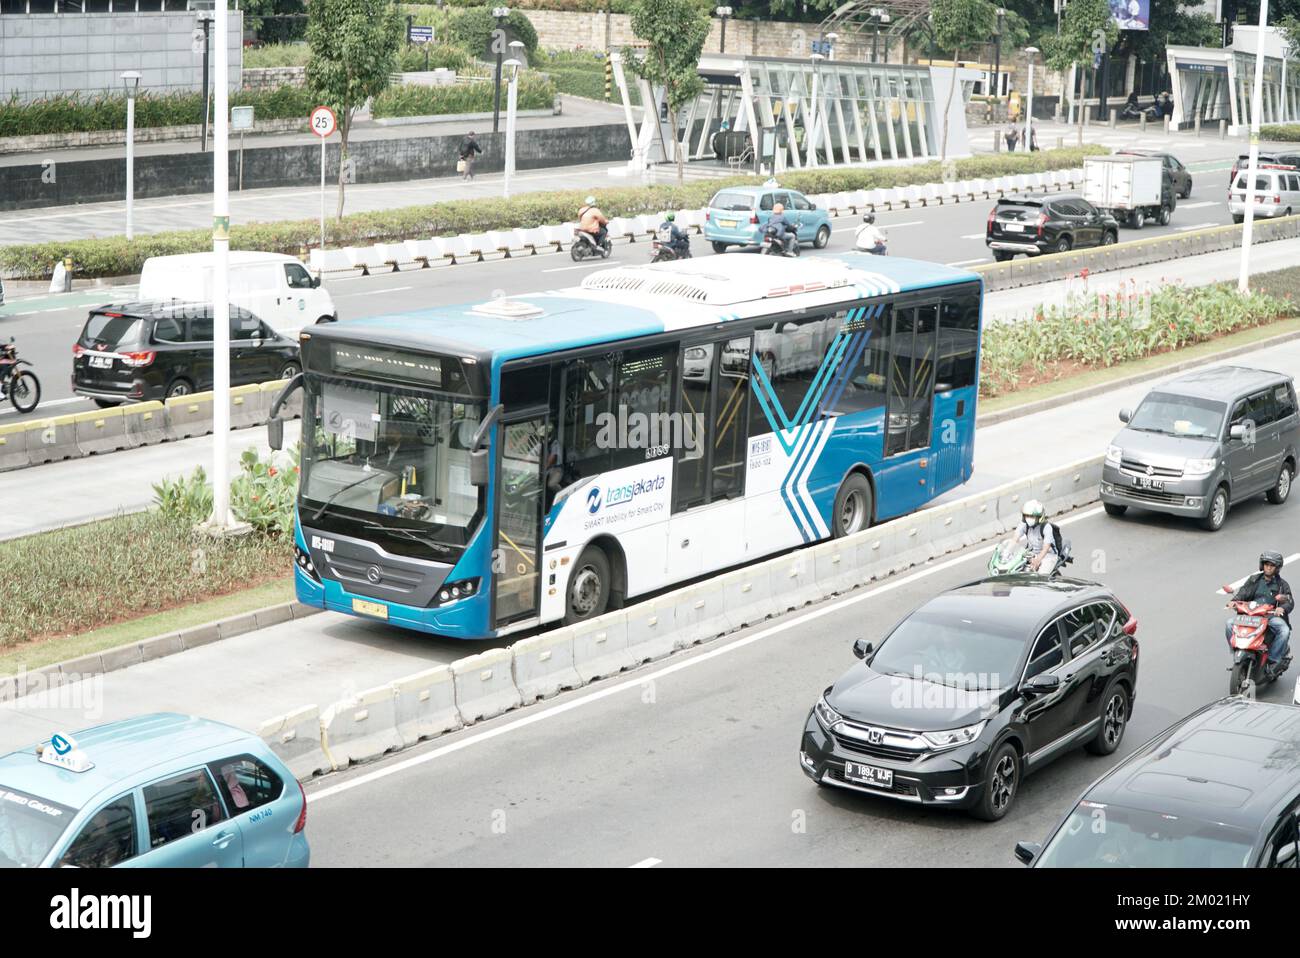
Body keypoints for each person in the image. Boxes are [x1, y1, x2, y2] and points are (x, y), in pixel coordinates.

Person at [1224, 552, 1294, 674]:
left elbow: (1289, 600)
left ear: (1277, 568)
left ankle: (1273, 661)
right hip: (1251, 615)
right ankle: (1237, 651)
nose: (1268, 567)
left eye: (1272, 565)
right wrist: (1233, 602)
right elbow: (1242, 593)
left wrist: (1282, 608)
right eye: (1266, 564)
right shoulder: (1254, 580)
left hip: (1269, 616)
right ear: (1262, 565)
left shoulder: (1282, 585)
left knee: (1284, 630)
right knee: (1229, 624)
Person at [1008, 499, 1060, 575]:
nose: (1029, 518)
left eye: (1032, 516)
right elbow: (1015, 539)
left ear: (1039, 517)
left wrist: (1038, 560)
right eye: (1027, 515)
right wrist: (1006, 552)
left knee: (1040, 577)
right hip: (1031, 554)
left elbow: (1046, 547)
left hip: (1048, 556)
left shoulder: (1046, 527)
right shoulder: (1024, 524)